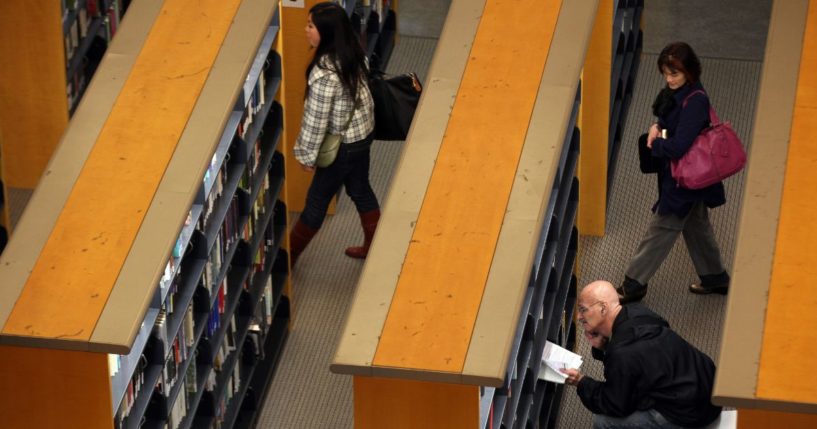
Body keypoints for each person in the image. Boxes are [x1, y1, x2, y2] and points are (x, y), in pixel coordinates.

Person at [620, 41, 730, 303]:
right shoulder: (679, 93)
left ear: (689, 72)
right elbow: (667, 118)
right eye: (665, 73)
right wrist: (658, 126)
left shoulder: (694, 103)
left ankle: (633, 284)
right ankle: (716, 278)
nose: (669, 79)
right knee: (696, 225)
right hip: (691, 177)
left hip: (684, 181)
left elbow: (680, 146)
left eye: (674, 74)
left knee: (663, 227)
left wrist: (655, 143)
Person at [288, 2, 380, 266]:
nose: (306, 30)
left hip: (342, 146)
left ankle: (289, 258)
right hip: (362, 135)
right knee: (360, 189)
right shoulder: (353, 52)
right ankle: (372, 246)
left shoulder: (325, 74)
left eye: (310, 26)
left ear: (326, 32)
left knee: (316, 203)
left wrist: (306, 156)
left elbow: (315, 122)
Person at [562, 280, 722, 428]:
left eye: (583, 309)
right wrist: (603, 346)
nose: (579, 316)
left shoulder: (622, 353)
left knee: (603, 421)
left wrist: (581, 382)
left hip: (691, 413)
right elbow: (635, 362)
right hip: (708, 386)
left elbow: (614, 404)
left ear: (603, 308)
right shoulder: (637, 311)